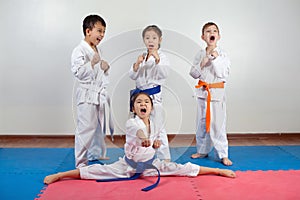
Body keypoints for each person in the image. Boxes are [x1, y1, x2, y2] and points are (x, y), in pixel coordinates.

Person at [44, 92, 236, 191]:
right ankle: (61, 175)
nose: (143, 104)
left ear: (151, 107)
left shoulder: (155, 123)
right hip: (128, 165)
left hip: (151, 166)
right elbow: (139, 133)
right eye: (138, 102)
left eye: (146, 102)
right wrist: (145, 140)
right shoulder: (131, 123)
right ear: (133, 108)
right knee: (97, 171)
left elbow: (155, 141)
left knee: (182, 168)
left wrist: (156, 144)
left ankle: (218, 170)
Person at [71, 14, 113, 168]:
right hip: (86, 94)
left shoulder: (96, 49)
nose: (102, 35)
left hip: (97, 93)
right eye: (99, 31)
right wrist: (91, 64)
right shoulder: (79, 50)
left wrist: (104, 68)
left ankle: (95, 153)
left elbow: (98, 73)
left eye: (103, 32)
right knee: (86, 128)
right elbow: (77, 72)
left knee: (97, 127)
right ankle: (81, 162)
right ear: (88, 31)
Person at [189, 22, 232, 166]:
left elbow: (223, 73)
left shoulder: (223, 54)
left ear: (218, 36)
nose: (211, 33)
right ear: (203, 37)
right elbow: (193, 73)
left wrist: (215, 58)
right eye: (208, 31)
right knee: (201, 124)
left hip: (216, 94)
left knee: (218, 125)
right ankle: (202, 150)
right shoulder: (199, 54)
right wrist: (203, 62)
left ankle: (223, 154)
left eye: (214, 31)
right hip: (202, 93)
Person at [129, 25, 171, 161]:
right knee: (140, 125)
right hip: (140, 97)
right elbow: (132, 75)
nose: (150, 41)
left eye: (154, 38)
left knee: (158, 126)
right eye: (147, 38)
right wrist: (136, 64)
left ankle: (164, 157)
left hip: (153, 97)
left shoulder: (162, 57)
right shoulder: (142, 56)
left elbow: (164, 73)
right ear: (144, 40)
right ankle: (142, 155)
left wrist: (157, 59)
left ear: (160, 40)